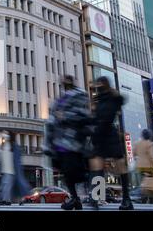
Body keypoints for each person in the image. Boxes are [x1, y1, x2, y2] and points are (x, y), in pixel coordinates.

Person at [45, 75, 90, 211]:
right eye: (63, 82)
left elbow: (84, 115)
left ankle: (85, 197)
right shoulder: (61, 99)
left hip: (74, 140)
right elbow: (52, 120)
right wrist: (48, 143)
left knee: (76, 172)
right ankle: (75, 199)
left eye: (67, 81)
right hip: (61, 141)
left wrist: (65, 117)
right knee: (66, 172)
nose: (64, 84)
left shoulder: (80, 96)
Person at [89, 76, 134, 210]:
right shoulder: (99, 99)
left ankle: (126, 198)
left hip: (110, 135)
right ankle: (97, 197)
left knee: (120, 165)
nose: (98, 86)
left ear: (105, 84)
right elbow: (96, 117)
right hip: (100, 135)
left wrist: (115, 94)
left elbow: (120, 102)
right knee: (96, 165)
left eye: (100, 83)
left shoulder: (112, 98)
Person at [133, 129, 153, 204]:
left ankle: (143, 198)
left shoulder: (137, 143)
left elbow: (133, 154)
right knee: (151, 184)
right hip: (148, 167)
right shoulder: (149, 144)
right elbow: (152, 156)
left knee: (143, 183)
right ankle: (152, 199)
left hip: (139, 167)